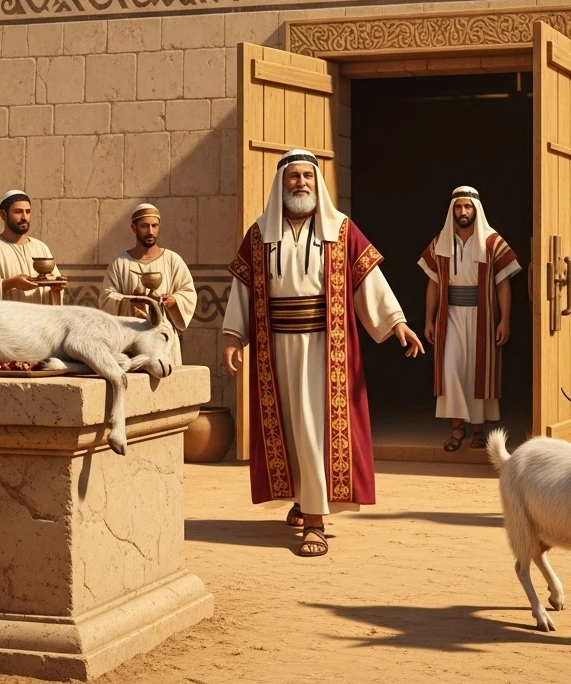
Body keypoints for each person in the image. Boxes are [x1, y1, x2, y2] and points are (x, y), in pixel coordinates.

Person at [221, 149, 424, 557]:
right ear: (281, 185)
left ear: (317, 182)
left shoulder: (342, 230)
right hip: (274, 350)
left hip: (325, 349)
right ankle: (301, 498)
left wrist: (396, 322)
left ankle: (315, 520)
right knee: (291, 428)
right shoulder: (259, 233)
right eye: (293, 177)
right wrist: (231, 336)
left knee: (317, 428)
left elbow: (370, 283)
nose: (300, 183)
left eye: (307, 177)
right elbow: (242, 293)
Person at [418, 186, 522, 452]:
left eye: (468, 207)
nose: (463, 212)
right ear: (451, 210)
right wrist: (428, 320)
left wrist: (504, 321)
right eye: (458, 207)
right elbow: (432, 284)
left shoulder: (493, 242)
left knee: (478, 370)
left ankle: (478, 429)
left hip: (482, 316)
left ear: (476, 210)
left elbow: (503, 285)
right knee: (450, 369)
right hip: (449, 314)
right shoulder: (440, 241)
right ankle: (457, 428)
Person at [100, 202, 196, 364]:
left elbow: (188, 292)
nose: (150, 231)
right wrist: (129, 301)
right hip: (129, 339)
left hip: (162, 338)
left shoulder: (172, 260)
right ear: (133, 228)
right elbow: (106, 298)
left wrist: (174, 301)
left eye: (154, 225)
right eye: (144, 226)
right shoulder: (120, 262)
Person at [0, 189, 69, 305]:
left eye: (28, 211)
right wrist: (12, 283)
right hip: (8, 321)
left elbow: (52, 282)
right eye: (18, 212)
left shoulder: (41, 247)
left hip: (39, 320)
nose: (24, 217)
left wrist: (56, 288)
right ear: (3, 214)